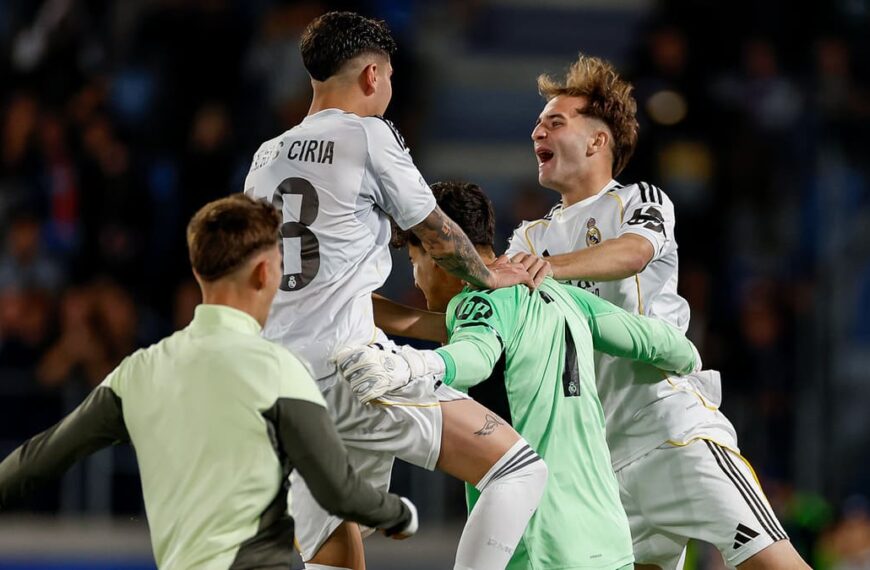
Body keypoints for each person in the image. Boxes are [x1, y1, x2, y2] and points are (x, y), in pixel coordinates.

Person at [243, 12, 547, 570]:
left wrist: (433, 326)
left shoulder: (263, 161)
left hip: (282, 385)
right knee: (518, 467)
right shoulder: (366, 133)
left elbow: (313, 289)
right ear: (371, 77)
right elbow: (433, 227)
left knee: (336, 552)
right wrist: (490, 275)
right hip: (352, 371)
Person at [0, 194, 418, 569]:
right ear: (262, 274)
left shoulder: (140, 370)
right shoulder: (280, 370)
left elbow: (36, 460)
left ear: (199, 270)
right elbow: (338, 492)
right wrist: (398, 513)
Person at [506, 54, 810, 570]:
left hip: (671, 428)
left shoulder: (638, 200)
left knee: (774, 565)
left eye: (556, 121)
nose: (539, 129)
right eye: (538, 122)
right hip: (600, 460)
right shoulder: (529, 237)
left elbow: (633, 254)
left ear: (597, 141)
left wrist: (550, 269)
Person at [336, 180, 703, 569]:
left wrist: (414, 365)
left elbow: (475, 354)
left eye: (414, 262)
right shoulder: (561, 295)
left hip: (538, 545)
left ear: (436, 251)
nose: (415, 278)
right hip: (607, 539)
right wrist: (691, 363)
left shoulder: (476, 301)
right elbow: (659, 342)